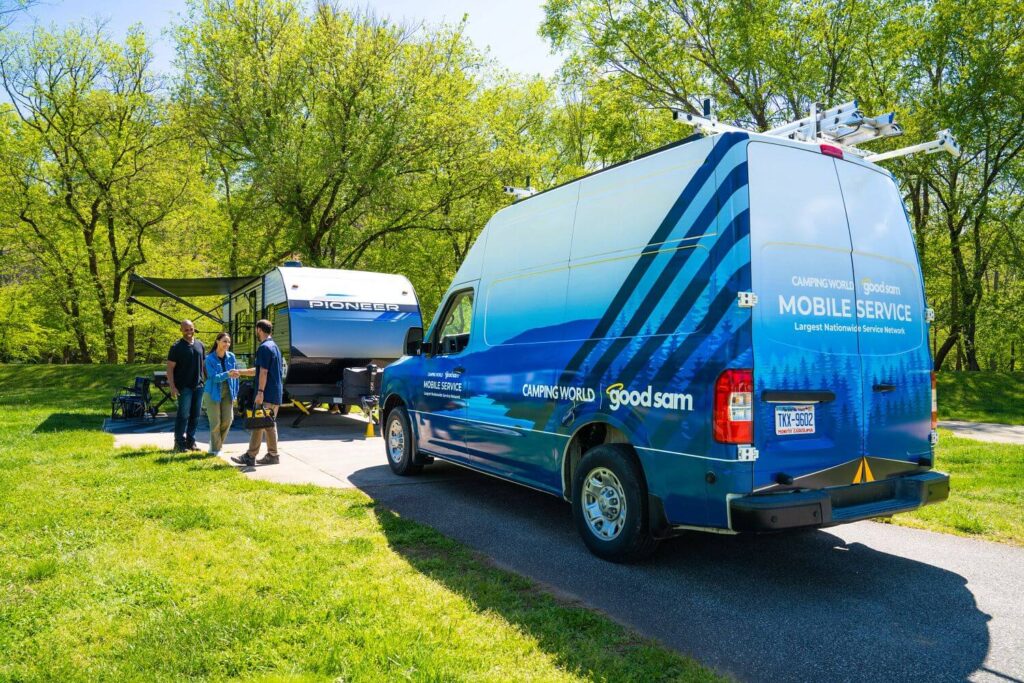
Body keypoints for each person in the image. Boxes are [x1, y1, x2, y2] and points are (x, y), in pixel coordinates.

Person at [231, 319, 283, 466]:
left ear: (259, 329)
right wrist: (240, 372)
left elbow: (263, 373)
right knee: (269, 424)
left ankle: (250, 455)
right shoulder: (274, 347)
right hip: (275, 392)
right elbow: (258, 370)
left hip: (266, 392)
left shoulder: (264, 348)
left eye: (256, 330)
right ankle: (273, 455)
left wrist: (260, 392)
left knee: (258, 423)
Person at [167, 319, 205, 452]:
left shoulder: (200, 345)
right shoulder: (176, 347)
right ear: (181, 330)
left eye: (191, 329)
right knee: (183, 415)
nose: (189, 332)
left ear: (194, 329)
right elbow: (170, 368)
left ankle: (191, 441)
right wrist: (172, 386)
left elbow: (203, 365)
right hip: (184, 387)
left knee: (195, 415)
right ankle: (179, 443)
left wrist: (208, 381)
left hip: (199, 386)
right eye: (186, 329)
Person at [203, 332, 241, 456]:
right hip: (213, 391)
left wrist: (235, 392)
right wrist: (227, 374)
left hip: (228, 391)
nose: (227, 344)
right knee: (215, 422)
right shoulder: (209, 359)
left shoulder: (231, 357)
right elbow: (213, 378)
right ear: (217, 341)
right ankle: (215, 449)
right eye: (224, 341)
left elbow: (235, 376)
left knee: (228, 420)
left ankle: (215, 444)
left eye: (229, 342)